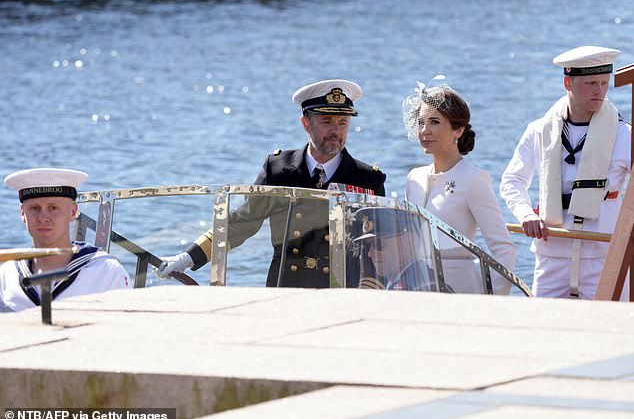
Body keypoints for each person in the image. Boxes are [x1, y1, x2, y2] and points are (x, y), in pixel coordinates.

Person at [156, 79, 386, 288]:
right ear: (306, 123)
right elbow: (242, 223)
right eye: (326, 121)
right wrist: (187, 258)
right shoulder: (278, 169)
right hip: (287, 286)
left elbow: (381, 245)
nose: (336, 130)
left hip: (345, 288)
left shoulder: (368, 179)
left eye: (343, 122)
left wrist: (372, 289)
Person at [500, 46, 631, 300]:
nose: (599, 91)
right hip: (552, 253)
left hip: (603, 252)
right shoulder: (538, 130)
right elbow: (512, 181)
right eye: (591, 82)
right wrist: (526, 214)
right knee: (546, 331)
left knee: (607, 331)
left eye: (604, 83)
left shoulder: (625, 134)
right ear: (567, 83)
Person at [403, 84, 516, 294]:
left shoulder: (474, 179)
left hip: (461, 292)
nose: (424, 130)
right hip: (418, 289)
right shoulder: (414, 178)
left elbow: (504, 250)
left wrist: (491, 301)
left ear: (458, 130)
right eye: (421, 123)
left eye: (434, 122)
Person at [0, 168, 131, 312]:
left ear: (73, 211)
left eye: (53, 208)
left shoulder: (105, 272)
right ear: (23, 213)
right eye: (35, 208)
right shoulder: (7, 275)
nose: (43, 217)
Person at [353, 207, 440, 292]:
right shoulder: (411, 285)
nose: (370, 253)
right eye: (368, 245)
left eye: (377, 244)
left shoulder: (420, 289)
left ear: (407, 242)